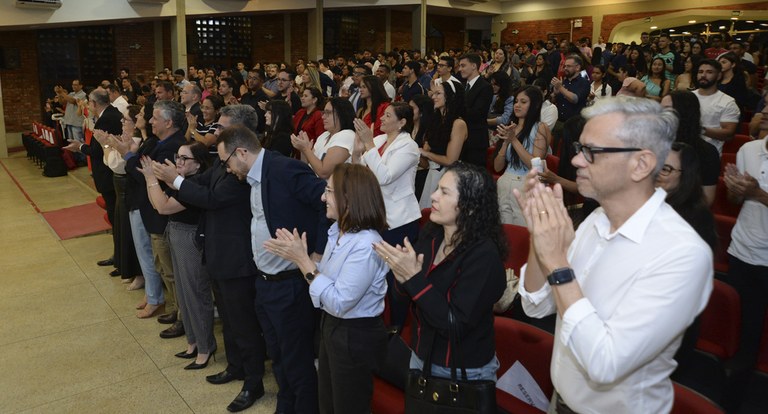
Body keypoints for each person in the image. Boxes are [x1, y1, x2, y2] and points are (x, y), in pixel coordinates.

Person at [515, 96, 713, 414]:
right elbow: (535, 305)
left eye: (592, 152)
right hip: (560, 402)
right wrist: (539, 236)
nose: (577, 161)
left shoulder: (682, 253)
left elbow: (604, 363)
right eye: (580, 149)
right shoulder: (596, 221)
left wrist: (556, 262)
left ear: (641, 164)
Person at [152, 105, 267, 413]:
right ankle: (235, 366)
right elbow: (201, 184)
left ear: (240, 135)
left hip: (237, 257)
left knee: (243, 323)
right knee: (229, 320)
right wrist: (176, 178)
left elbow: (212, 199)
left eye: (222, 128)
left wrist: (175, 181)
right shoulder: (221, 161)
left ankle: (253, 383)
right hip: (217, 251)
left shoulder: (241, 169)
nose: (216, 131)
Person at [217, 124, 328, 414]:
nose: (227, 170)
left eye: (227, 162)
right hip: (265, 282)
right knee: (277, 356)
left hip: (290, 283)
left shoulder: (283, 169)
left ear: (241, 152)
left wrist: (316, 253)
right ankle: (286, 405)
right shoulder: (253, 179)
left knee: (296, 359)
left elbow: (326, 202)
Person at [265, 163, 389, 414]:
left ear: (349, 198)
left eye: (329, 191)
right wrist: (304, 261)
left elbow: (340, 301)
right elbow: (325, 287)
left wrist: (303, 262)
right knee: (328, 403)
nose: (323, 197)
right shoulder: (337, 232)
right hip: (332, 326)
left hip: (355, 334)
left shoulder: (366, 245)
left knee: (348, 406)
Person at [373, 162, 507, 382]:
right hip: (420, 356)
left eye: (444, 192)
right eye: (437, 189)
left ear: (470, 206)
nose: (433, 196)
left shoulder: (484, 256)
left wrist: (413, 278)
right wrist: (400, 272)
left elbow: (454, 325)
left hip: (461, 371)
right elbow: (404, 297)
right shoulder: (432, 236)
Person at [139, 141, 217, 370]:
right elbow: (156, 204)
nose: (179, 162)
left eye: (185, 159)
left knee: (195, 294)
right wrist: (150, 179)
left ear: (198, 164)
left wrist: (151, 179)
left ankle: (205, 347)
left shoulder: (194, 184)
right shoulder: (180, 183)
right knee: (182, 294)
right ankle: (193, 342)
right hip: (175, 233)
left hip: (190, 239)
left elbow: (163, 207)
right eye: (178, 157)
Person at [722, 117, 768, 413]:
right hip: (740, 249)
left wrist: (759, 194)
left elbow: (754, 196)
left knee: (755, 334)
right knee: (736, 328)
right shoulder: (749, 150)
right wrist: (736, 189)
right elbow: (733, 200)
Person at [93, 104, 143, 287]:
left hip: (126, 186)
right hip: (119, 185)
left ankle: (137, 273)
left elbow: (116, 163)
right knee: (122, 229)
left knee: (130, 232)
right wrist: (110, 145)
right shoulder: (126, 137)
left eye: (126, 119)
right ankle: (126, 268)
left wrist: (105, 144)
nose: (122, 122)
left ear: (135, 123)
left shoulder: (136, 140)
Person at [493, 86, 550, 225]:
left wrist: (513, 140)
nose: (517, 105)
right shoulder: (511, 127)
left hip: (525, 184)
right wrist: (505, 143)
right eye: (516, 101)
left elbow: (534, 165)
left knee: (523, 230)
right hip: (505, 182)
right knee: (504, 231)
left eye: (523, 102)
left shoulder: (540, 127)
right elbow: (497, 167)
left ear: (535, 105)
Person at [661, 91, 719, 205]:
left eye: (667, 110)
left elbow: (707, 199)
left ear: (684, 113)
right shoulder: (652, 143)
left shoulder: (707, 153)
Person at [656, 142, 717, 250]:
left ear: (686, 175)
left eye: (665, 169)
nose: (656, 173)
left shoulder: (696, 218)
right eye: (656, 165)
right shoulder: (637, 201)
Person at [418, 80, 467, 208]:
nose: (433, 97)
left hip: (449, 176)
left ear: (450, 96)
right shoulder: (436, 121)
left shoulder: (458, 124)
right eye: (433, 94)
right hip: (433, 173)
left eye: (438, 93)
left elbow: (451, 160)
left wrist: (426, 153)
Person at [292, 97, 356, 179]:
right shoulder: (324, 135)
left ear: (342, 114)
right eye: (323, 113)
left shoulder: (347, 135)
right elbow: (307, 167)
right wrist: (303, 150)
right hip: (314, 185)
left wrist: (306, 149)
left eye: (328, 113)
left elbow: (324, 172)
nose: (323, 117)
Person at [693, 59, 740, 155]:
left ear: (718, 76)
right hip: (685, 153)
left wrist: (699, 129)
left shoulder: (727, 102)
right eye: (700, 72)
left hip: (709, 155)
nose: (703, 75)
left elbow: (728, 134)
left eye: (709, 72)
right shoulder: (687, 97)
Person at [458, 53, 494, 167]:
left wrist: (455, 110)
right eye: (459, 66)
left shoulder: (485, 87)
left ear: (474, 66)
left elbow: (477, 113)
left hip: (475, 140)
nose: (460, 69)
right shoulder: (463, 85)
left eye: (463, 66)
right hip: (461, 138)